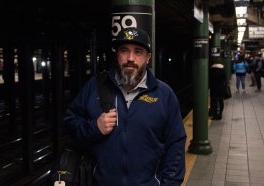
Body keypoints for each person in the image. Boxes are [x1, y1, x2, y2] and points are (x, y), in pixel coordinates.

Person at [63, 27, 187, 186]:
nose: (130, 58)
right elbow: (69, 125)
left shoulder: (164, 95)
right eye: (124, 50)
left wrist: (169, 183)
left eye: (138, 51)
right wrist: (94, 128)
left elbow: (175, 144)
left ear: (148, 57)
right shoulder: (94, 87)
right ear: (117, 55)